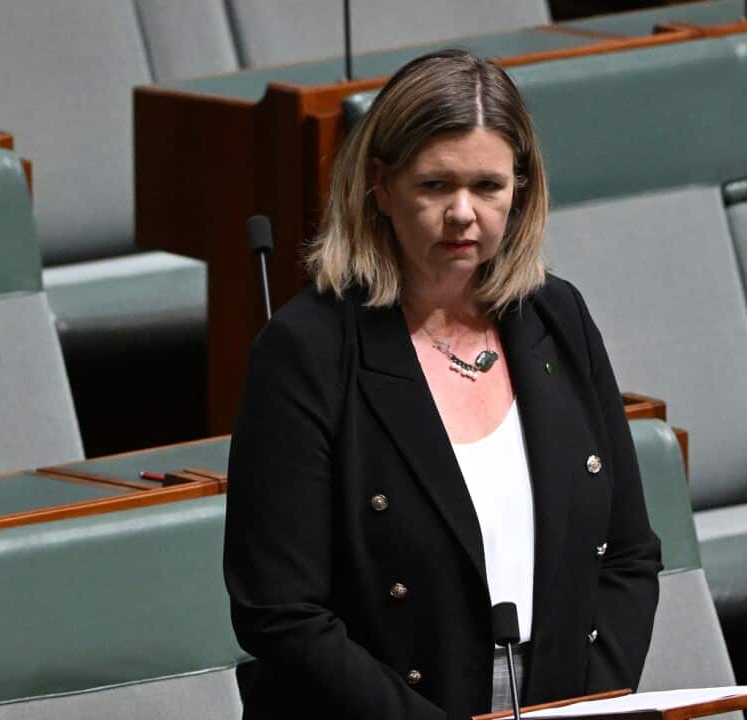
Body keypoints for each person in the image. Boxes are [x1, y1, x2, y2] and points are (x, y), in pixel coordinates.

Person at [224, 49, 662, 720]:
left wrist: (586, 705)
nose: (463, 213)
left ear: (520, 188)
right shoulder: (306, 351)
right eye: (434, 185)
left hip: (558, 699)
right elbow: (280, 613)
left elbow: (628, 553)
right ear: (381, 184)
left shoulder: (556, 317)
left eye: (487, 186)